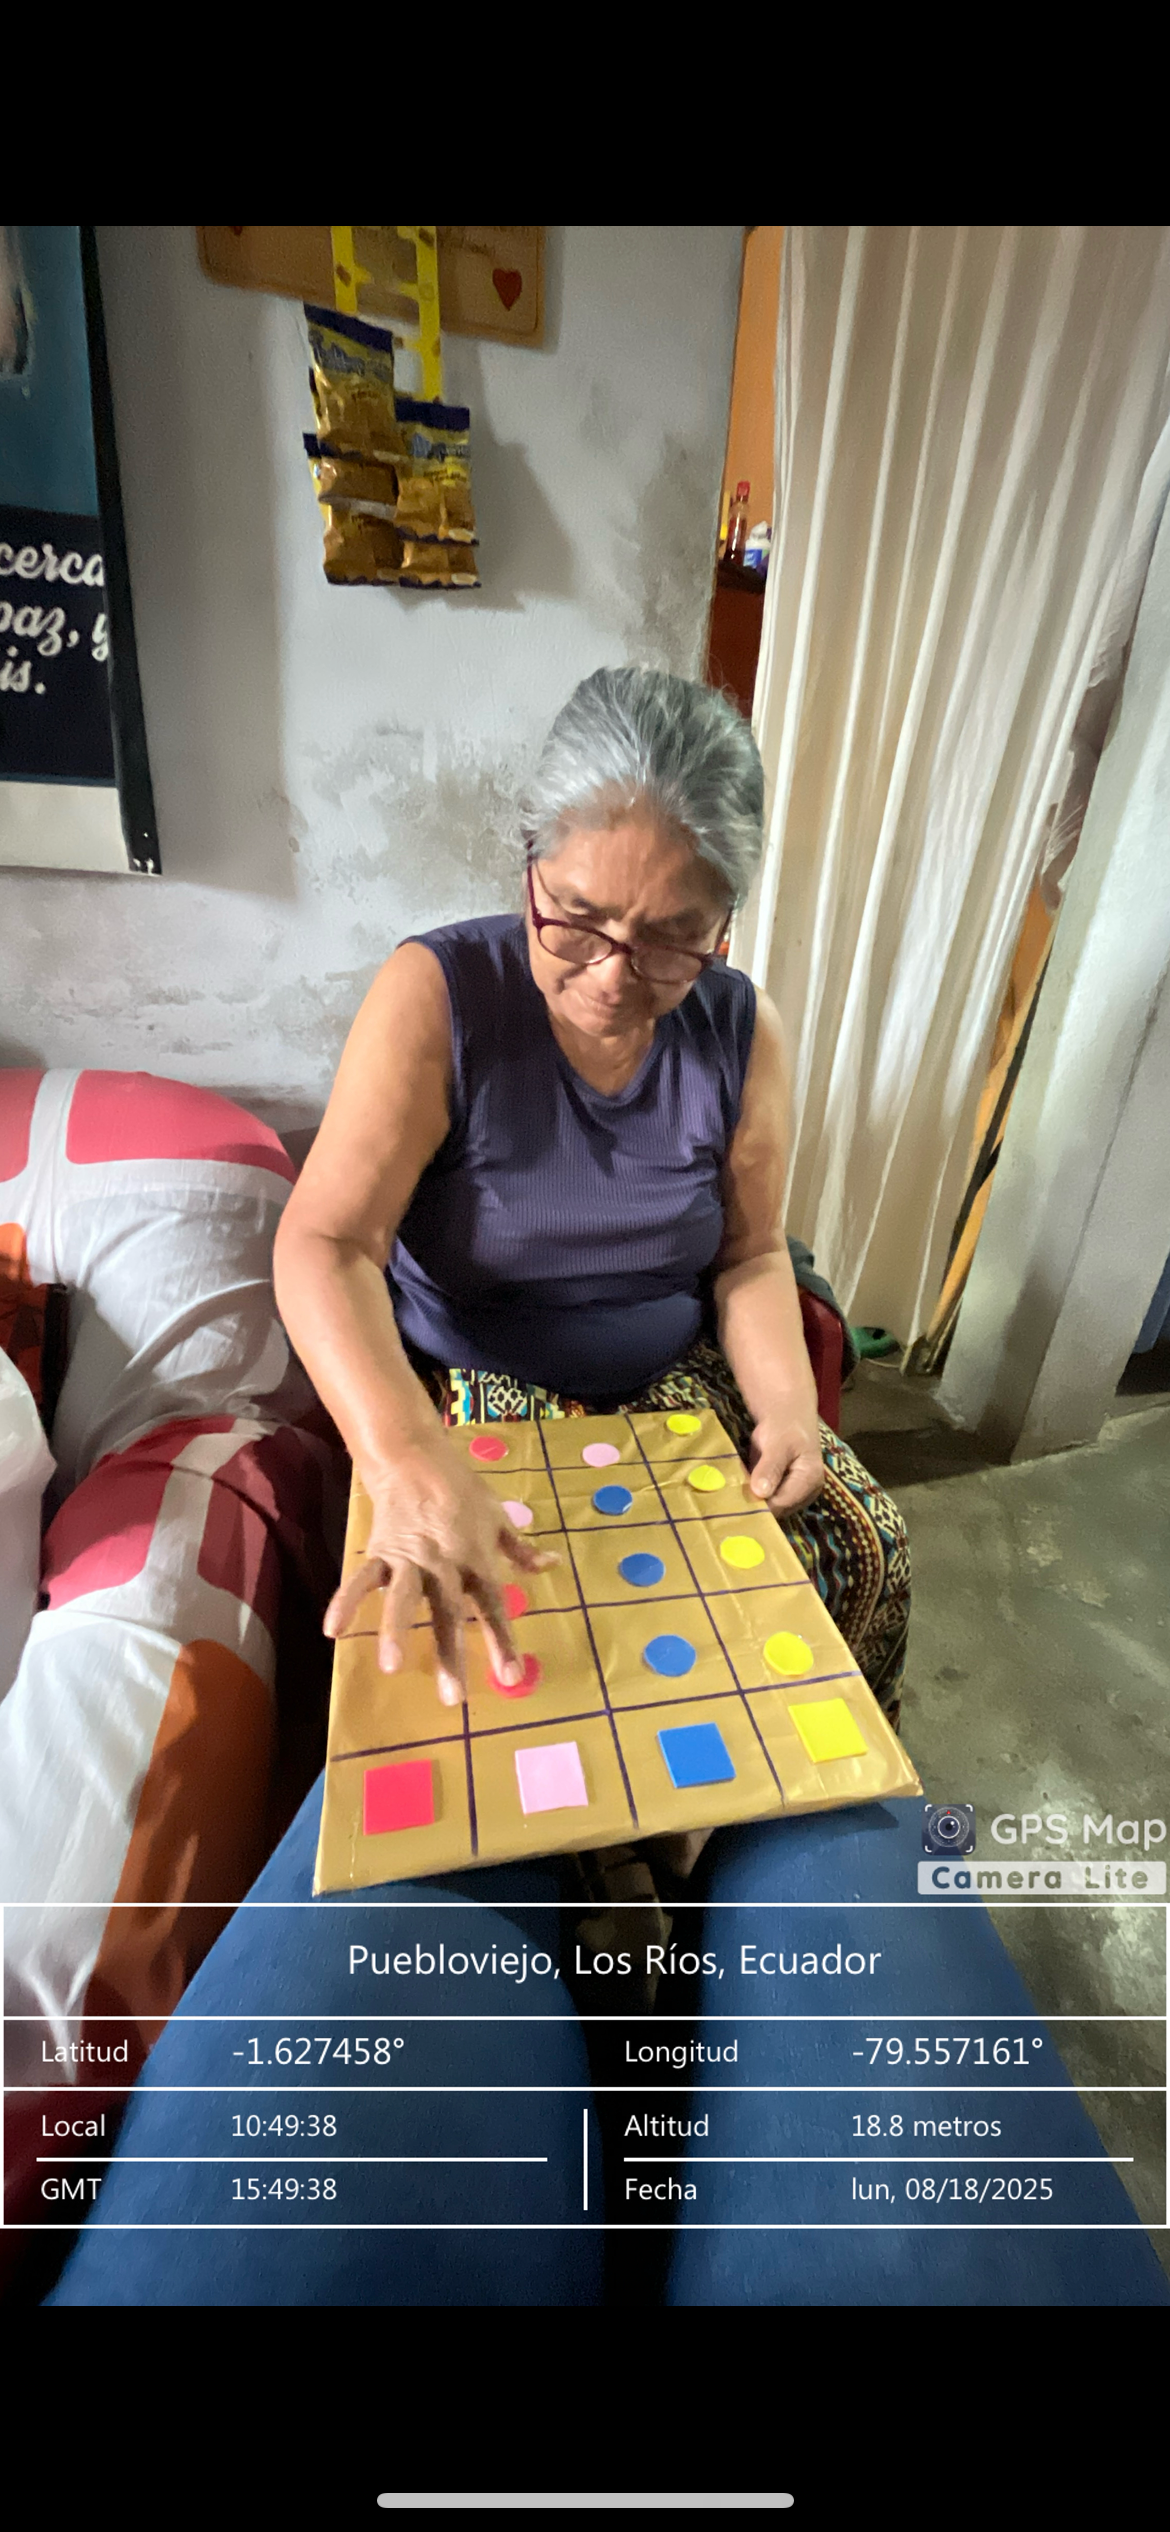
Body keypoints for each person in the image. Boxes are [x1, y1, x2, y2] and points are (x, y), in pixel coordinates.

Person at [273, 666, 909, 1758]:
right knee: (532, 1640)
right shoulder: (436, 997)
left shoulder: (742, 1031)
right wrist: (403, 1455)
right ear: (530, 863)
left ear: (724, 923)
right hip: (478, 1380)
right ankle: (619, 1830)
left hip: (673, 1378)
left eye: (671, 938)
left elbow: (752, 1255)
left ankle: (778, 1807)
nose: (614, 976)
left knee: (861, 1552)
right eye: (577, 918)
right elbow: (327, 1243)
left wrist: (788, 1412)